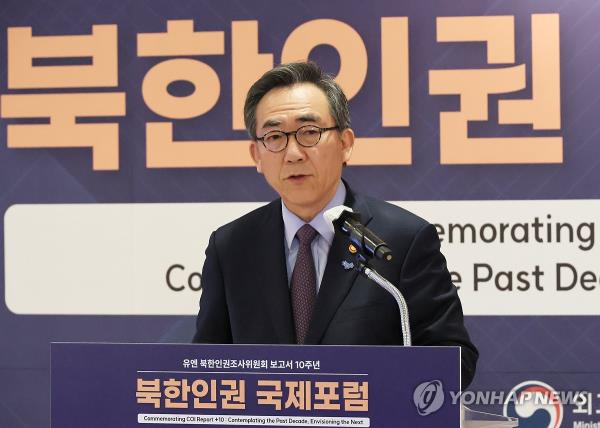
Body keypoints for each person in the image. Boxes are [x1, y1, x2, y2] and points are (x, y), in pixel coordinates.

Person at [193, 61, 478, 388]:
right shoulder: (231, 246)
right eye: (274, 137)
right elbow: (206, 365)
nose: (294, 153)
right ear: (256, 155)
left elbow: (454, 358)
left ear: (345, 143)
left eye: (310, 132)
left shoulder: (401, 240)